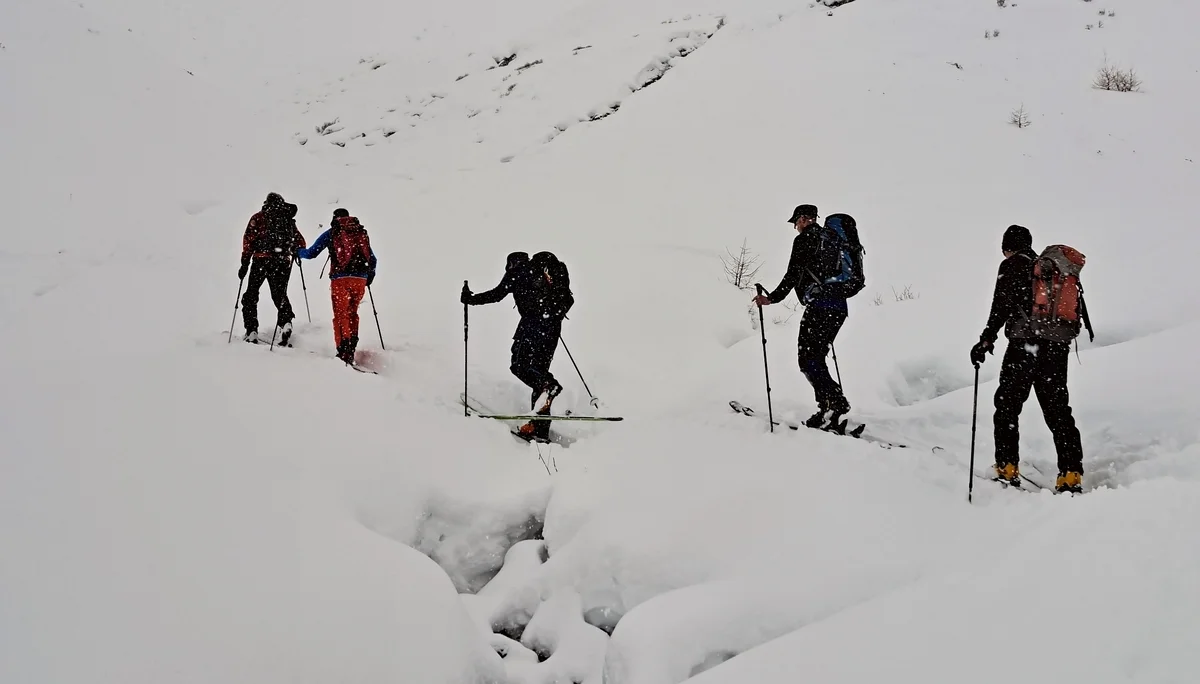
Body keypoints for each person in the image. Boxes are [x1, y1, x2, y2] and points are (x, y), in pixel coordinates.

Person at [970, 224, 1084, 494]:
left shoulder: (1012, 266)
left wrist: (986, 339)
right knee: (1057, 409)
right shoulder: (1049, 272)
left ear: (1007, 247)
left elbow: (1001, 305)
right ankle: (1070, 473)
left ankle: (1007, 468)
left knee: (1008, 406)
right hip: (1055, 347)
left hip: (1024, 346)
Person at [752, 204, 853, 429]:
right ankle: (828, 407)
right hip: (838, 306)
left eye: (796, 222)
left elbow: (793, 273)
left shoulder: (806, 239)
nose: (796, 227)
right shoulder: (833, 238)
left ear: (803, 219)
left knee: (807, 359)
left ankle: (835, 404)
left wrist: (772, 298)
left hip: (820, 305)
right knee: (815, 357)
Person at [462, 251, 574, 440]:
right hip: (552, 327)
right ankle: (539, 430)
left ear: (511, 263)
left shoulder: (518, 271)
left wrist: (470, 299)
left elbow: (497, 294)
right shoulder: (542, 274)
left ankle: (549, 387)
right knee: (539, 372)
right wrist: (550, 315)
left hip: (532, 326)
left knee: (519, 366)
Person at [296, 209, 377, 365]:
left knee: (341, 315)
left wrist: (298, 252)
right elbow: (372, 259)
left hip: (341, 279)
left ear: (335, 218)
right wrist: (369, 277)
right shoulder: (359, 232)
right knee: (352, 313)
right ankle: (351, 346)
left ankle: (343, 350)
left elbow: (312, 253)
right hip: (360, 279)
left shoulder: (332, 232)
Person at [239, 192, 307, 346]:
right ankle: (286, 323)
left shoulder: (259, 217)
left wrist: (244, 263)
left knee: (251, 295)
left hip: (261, 260)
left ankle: (251, 331)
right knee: (279, 295)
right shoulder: (287, 219)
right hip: (281, 262)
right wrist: (292, 251)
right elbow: (300, 242)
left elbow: (248, 240)